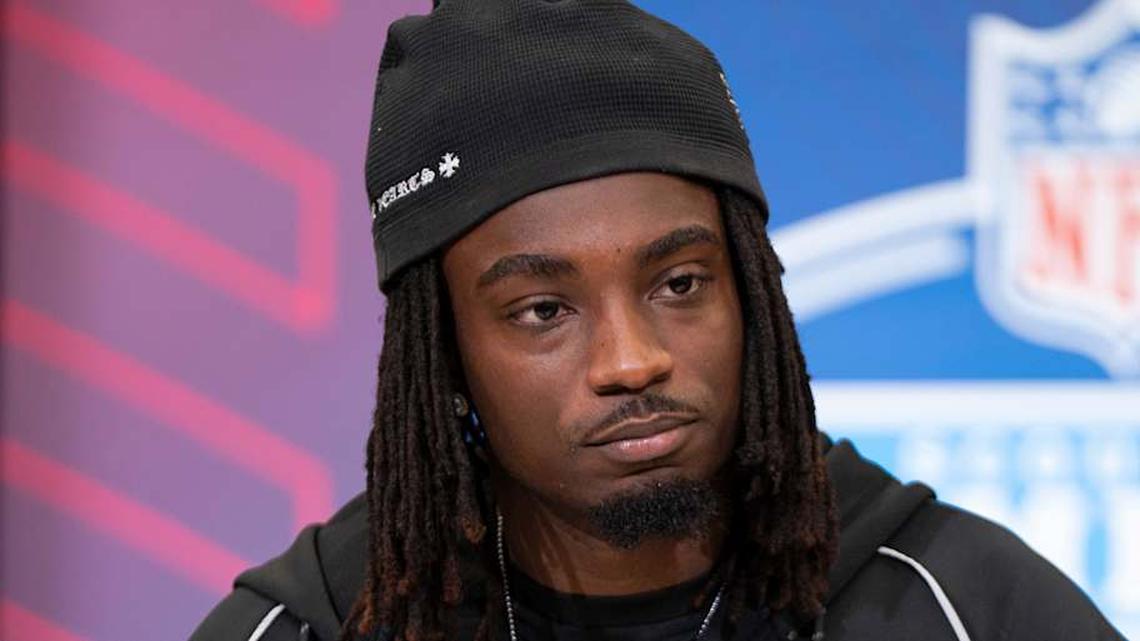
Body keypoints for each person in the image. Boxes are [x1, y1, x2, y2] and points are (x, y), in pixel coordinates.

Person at [189, 2, 1126, 640]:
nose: (632, 361)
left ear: (751, 290)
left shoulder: (965, 606)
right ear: (445, 351)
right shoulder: (322, 624)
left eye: (678, 283)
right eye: (543, 309)